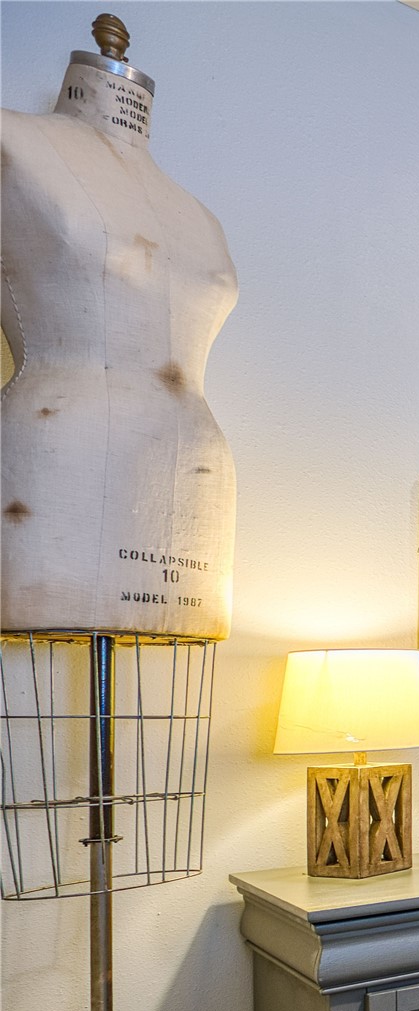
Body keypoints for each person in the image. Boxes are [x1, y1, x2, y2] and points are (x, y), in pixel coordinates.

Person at [1, 13, 237, 640]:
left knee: (177, 721)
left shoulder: (198, 215)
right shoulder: (13, 142)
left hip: (196, 470)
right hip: (60, 453)